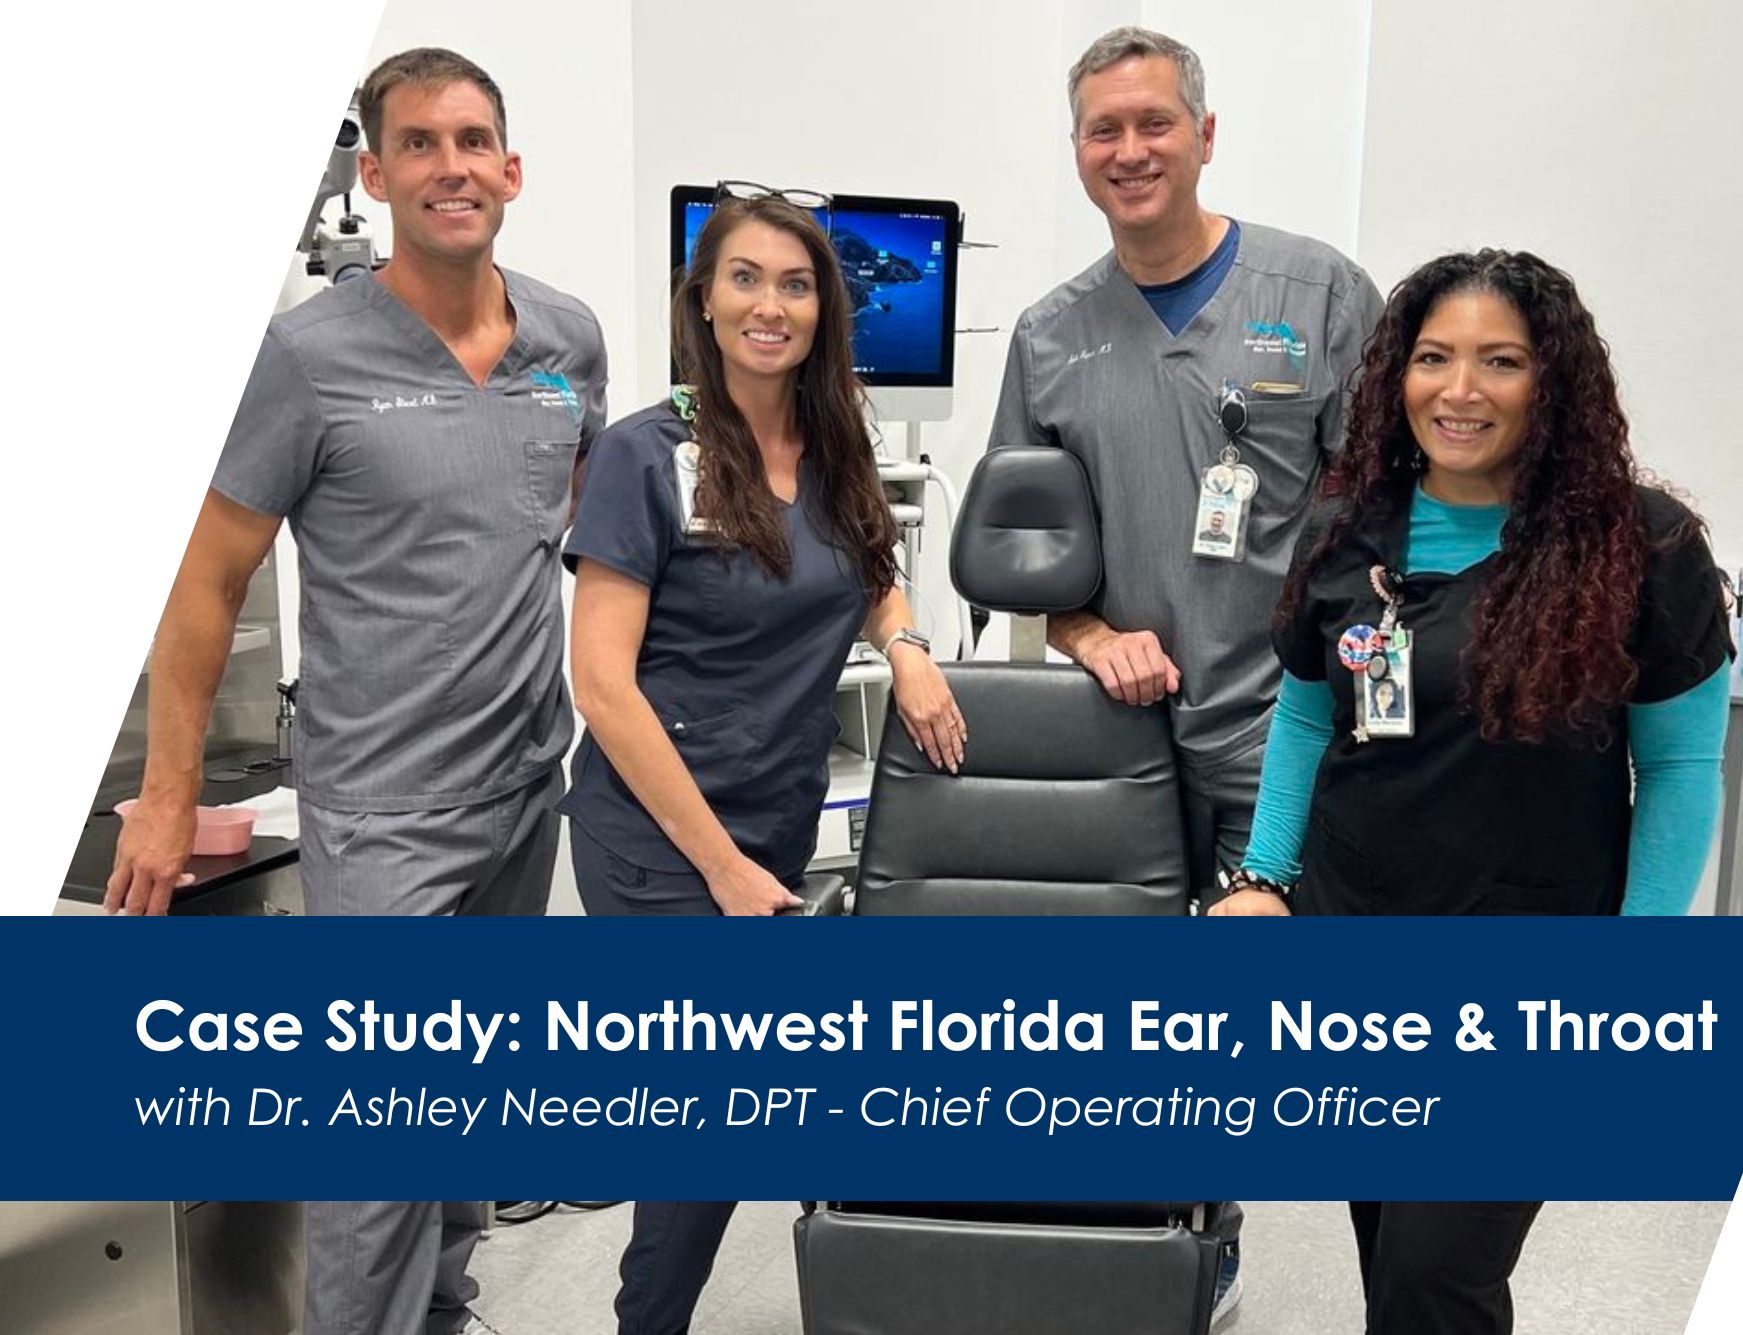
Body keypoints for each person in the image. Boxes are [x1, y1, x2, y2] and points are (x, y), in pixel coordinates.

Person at [103, 46, 606, 1335]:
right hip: (382, 808)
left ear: (511, 166)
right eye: (421, 145)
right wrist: (166, 798)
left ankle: (442, 1317)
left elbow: (571, 539)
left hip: (520, 787)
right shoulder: (306, 355)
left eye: (474, 140)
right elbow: (207, 581)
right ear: (376, 172)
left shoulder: (568, 341)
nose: (453, 167)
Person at [1215, 249, 1734, 1334]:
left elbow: (1680, 765)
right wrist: (1262, 878)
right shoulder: (1342, 534)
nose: (1458, 390)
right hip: (1353, 940)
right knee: (1390, 1248)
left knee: (1436, 1271)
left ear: (1551, 383)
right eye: (1432, 358)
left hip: (1530, 963)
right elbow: (1310, 719)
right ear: (1392, 375)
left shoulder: (1639, 545)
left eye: (1498, 361)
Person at [562, 189, 962, 1330]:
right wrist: (724, 872)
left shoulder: (834, 441)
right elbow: (602, 684)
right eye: (743, 278)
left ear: (824, 309)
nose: (768, 306)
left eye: (793, 284)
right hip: (658, 842)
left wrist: (909, 647)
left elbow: (871, 564)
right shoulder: (649, 454)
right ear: (702, 299)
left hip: (773, 814)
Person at [988, 25, 1383, 900]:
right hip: (1119, 744)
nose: (1130, 152)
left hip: (1292, 740)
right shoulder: (1049, 337)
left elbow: (1388, 527)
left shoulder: (1321, 297)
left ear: (1205, 137)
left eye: (1155, 123)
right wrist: (1089, 635)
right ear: (1079, 152)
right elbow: (1019, 558)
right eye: (1103, 131)